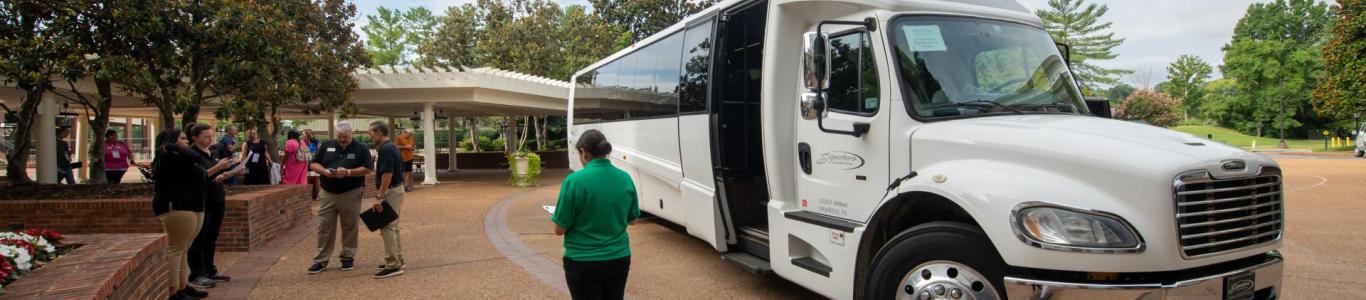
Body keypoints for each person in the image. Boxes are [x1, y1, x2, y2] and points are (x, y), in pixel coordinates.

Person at [551, 129, 640, 300]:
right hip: (619, 258)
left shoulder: (574, 181)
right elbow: (633, 219)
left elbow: (559, 229)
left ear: (583, 152)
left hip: (582, 261)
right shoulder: (625, 178)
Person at [151, 128, 226, 300]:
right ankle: (173, 290)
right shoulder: (169, 158)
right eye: (182, 139)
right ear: (171, 142)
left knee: (183, 248)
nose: (186, 142)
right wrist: (171, 146)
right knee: (176, 249)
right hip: (177, 206)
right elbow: (195, 156)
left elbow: (199, 172)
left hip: (192, 205)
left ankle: (182, 286)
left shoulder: (181, 158)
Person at [307, 121, 372, 274]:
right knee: (324, 227)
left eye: (345, 137)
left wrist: (348, 172)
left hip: (351, 192)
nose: (342, 140)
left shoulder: (361, 148)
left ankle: (347, 257)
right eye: (340, 137)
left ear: (352, 134)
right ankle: (321, 260)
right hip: (328, 192)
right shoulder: (327, 145)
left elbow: (368, 168)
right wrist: (324, 171)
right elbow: (313, 164)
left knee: (350, 226)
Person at [185, 124, 241, 289]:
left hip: (217, 197)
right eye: (206, 137)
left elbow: (210, 174)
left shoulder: (212, 152)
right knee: (199, 238)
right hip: (203, 200)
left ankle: (209, 269)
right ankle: (196, 273)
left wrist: (225, 173)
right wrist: (218, 167)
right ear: (194, 138)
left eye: (212, 136)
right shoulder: (192, 155)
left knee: (211, 237)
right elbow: (197, 177)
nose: (210, 139)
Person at [367, 122, 406, 279]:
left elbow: (387, 174)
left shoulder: (386, 149)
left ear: (378, 132)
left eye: (370, 133)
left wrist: (380, 196)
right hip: (396, 189)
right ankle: (397, 259)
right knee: (393, 226)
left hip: (391, 191)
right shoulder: (391, 147)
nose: (369, 136)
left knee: (387, 226)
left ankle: (393, 265)